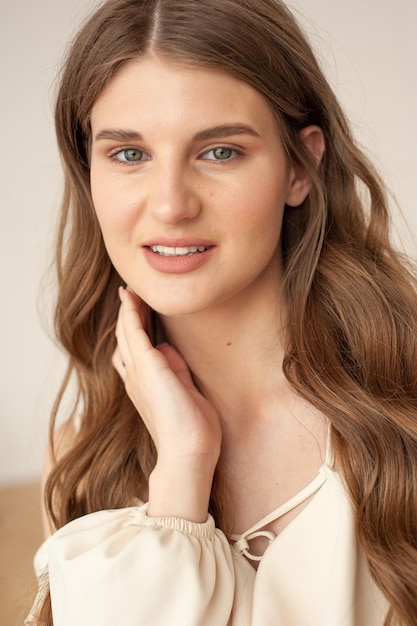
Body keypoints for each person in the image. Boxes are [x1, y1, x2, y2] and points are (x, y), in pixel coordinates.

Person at [26, 0, 417, 624]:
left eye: (219, 152)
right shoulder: (81, 458)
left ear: (301, 166)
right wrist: (181, 471)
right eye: (129, 155)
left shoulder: (404, 408)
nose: (171, 205)